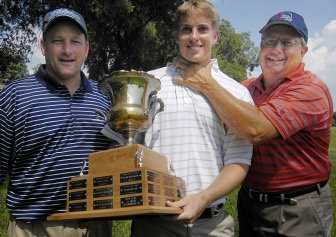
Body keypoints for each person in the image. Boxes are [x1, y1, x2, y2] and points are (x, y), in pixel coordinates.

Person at [173, 11, 333, 236]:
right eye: (270, 41)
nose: (276, 49)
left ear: (303, 51)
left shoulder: (310, 89)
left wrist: (207, 84)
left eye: (287, 43)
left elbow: (256, 130)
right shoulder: (246, 88)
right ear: (261, 46)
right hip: (250, 202)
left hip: (296, 207)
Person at [130, 0, 253, 236]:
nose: (194, 36)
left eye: (202, 29)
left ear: (216, 35)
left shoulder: (237, 92)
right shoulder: (148, 83)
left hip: (211, 225)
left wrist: (202, 198)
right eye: (187, 29)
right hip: (154, 224)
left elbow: (238, 161)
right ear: (176, 35)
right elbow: (129, 148)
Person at [0, 8, 113, 236]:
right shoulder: (15, 95)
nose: (67, 50)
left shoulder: (103, 99)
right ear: (43, 46)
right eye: (58, 41)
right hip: (34, 227)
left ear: (86, 49)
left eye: (75, 42)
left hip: (95, 226)